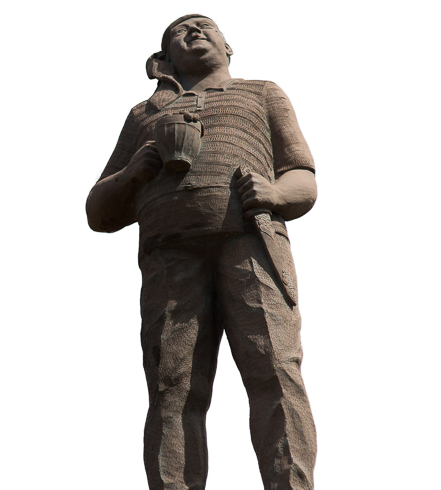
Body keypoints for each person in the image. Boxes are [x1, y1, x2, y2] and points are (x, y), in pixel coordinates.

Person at [86, 14, 317, 490]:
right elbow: (98, 210)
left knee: (275, 372)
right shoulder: (143, 116)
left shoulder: (261, 93)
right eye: (179, 30)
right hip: (169, 253)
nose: (193, 31)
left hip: (250, 241)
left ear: (228, 47)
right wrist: (134, 173)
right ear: (163, 59)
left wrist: (275, 193)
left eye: (204, 25)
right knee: (172, 388)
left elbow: (304, 177)